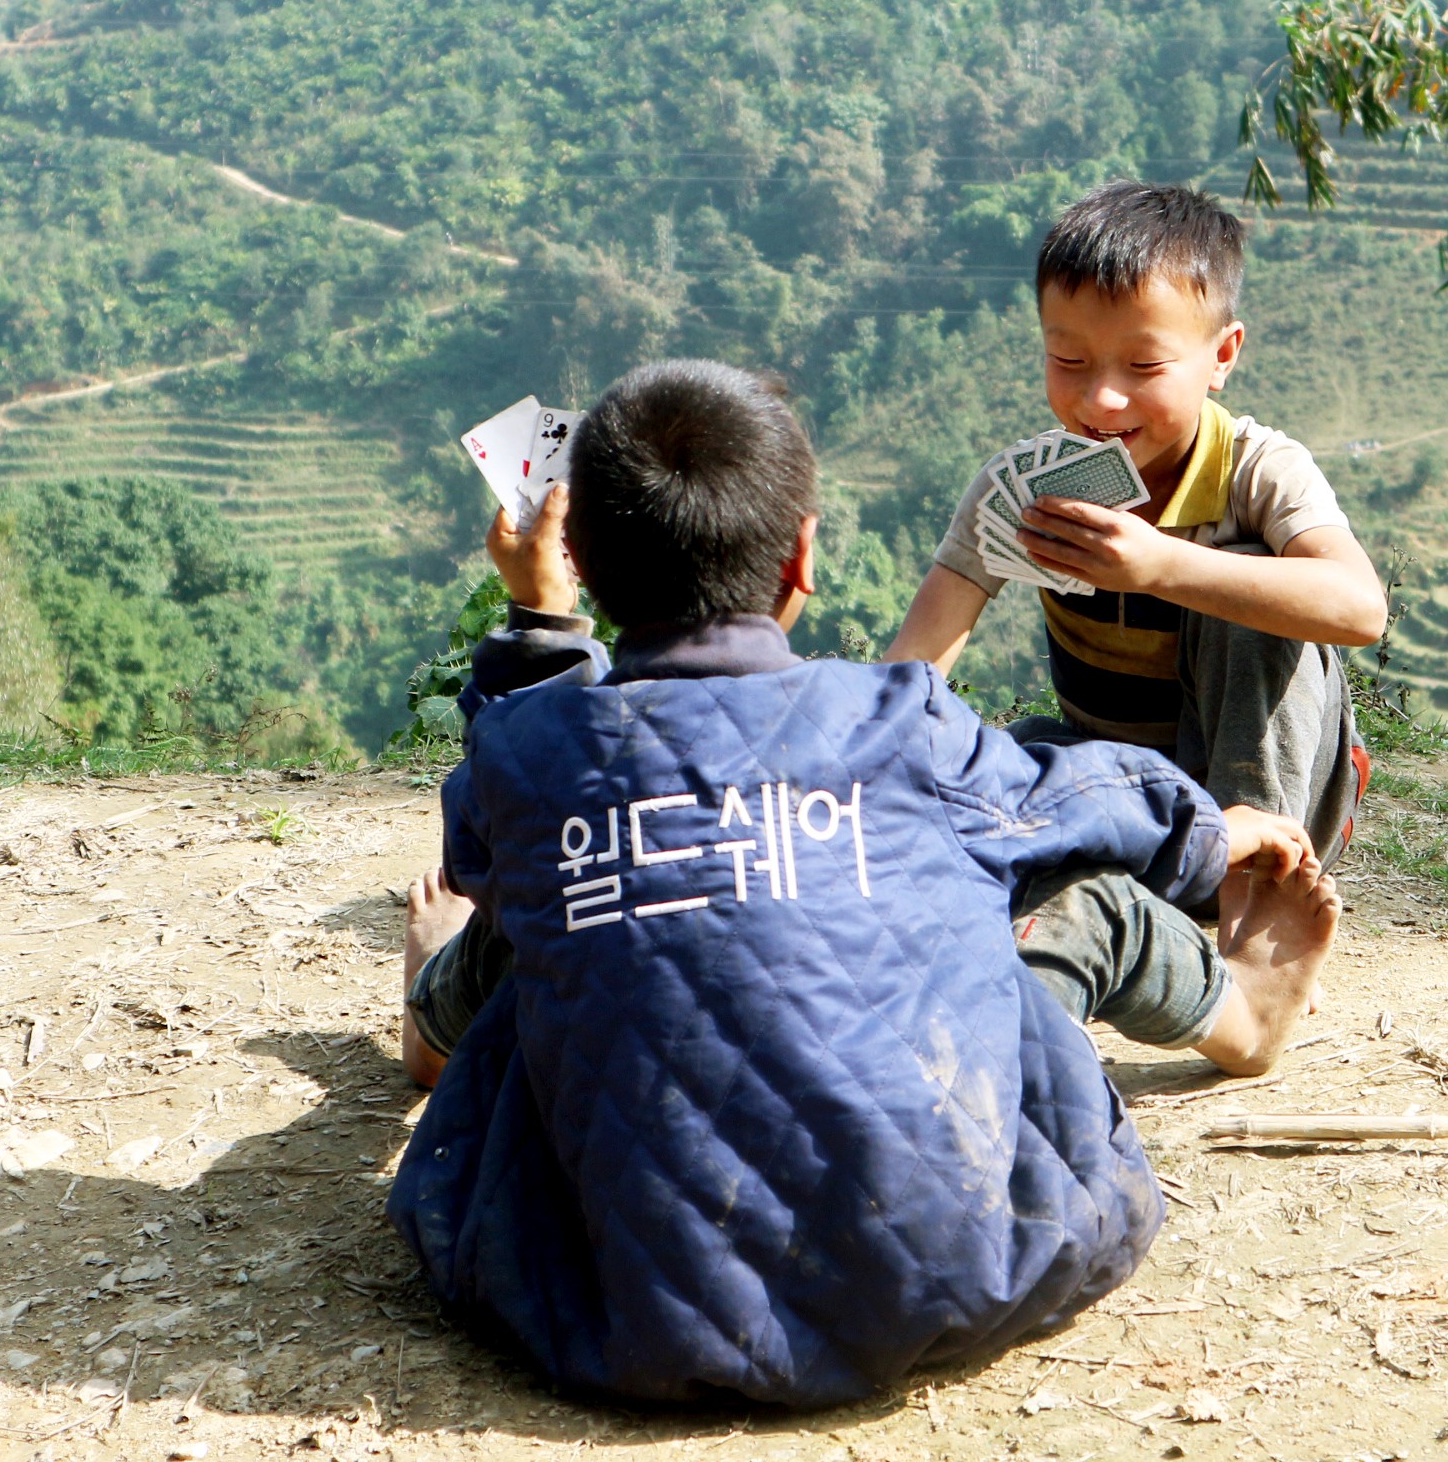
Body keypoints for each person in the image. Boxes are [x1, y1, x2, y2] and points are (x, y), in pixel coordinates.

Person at [390, 360, 1340, 1408]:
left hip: (605, 1303)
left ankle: (433, 1014)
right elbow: (1083, 801)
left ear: (575, 554)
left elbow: (484, 837)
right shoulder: (899, 721)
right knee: (1078, 897)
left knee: (565, 889)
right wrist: (1213, 832)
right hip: (963, 1264)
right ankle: (1236, 1010)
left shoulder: (531, 747)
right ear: (802, 556)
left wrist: (543, 623)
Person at [885, 179, 1389, 878]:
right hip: (1126, 789)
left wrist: (1159, 566)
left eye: (1145, 365)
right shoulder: (1030, 487)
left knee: (1250, 590)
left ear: (1222, 356)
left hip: (1274, 809)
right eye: (1069, 362)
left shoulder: (1258, 472)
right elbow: (915, 670)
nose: (1101, 398)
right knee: (1007, 755)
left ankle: (1253, 902)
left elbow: (1360, 608)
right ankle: (1152, 863)